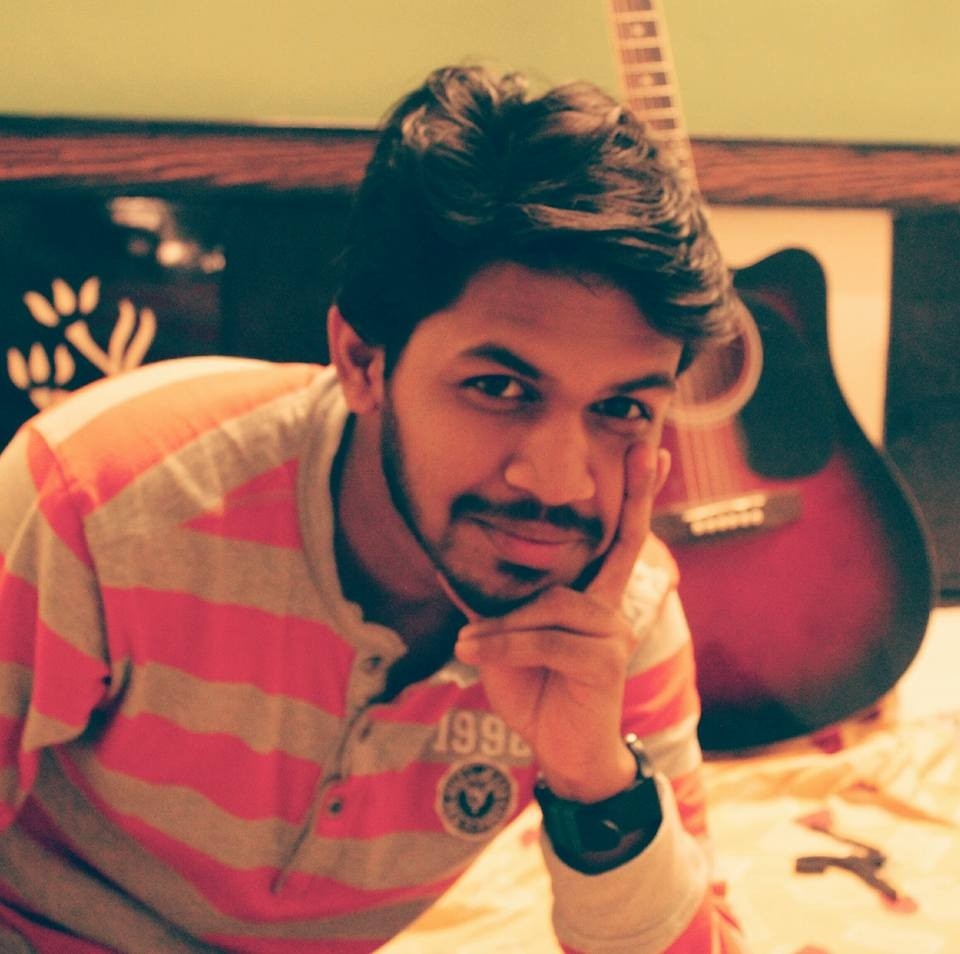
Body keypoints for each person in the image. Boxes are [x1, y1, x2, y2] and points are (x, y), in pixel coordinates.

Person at [0, 65, 748, 952]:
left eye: (622, 408)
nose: (561, 484)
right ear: (362, 362)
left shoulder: (617, 622)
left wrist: (596, 782)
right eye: (500, 387)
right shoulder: (101, 498)